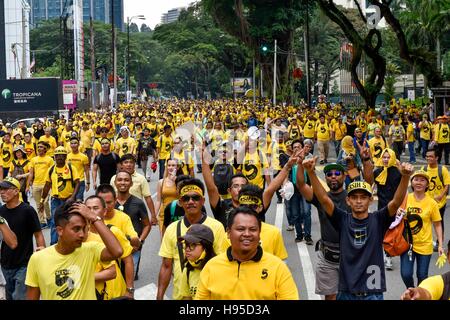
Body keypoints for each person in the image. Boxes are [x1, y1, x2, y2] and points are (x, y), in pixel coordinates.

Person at [302, 155, 414, 300]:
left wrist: (405, 177)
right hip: (346, 292)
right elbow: (324, 199)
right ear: (348, 201)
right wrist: (311, 172)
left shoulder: (378, 220)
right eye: (354, 197)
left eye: (363, 197)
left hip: (372, 293)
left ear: (371, 200)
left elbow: (396, 201)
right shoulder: (342, 219)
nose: (359, 201)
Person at [25, 200, 123, 300]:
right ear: (60, 230)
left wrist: (94, 218)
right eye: (76, 229)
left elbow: (117, 251)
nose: (82, 234)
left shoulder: (91, 249)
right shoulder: (37, 259)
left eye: (84, 228)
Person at [195, 206, 299, 300]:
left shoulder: (278, 268)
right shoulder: (211, 267)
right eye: (241, 229)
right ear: (228, 233)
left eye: (253, 229)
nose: (247, 234)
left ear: (259, 234)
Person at [157, 178, 227, 300]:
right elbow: (166, 266)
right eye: (186, 198)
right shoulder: (171, 229)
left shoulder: (217, 227)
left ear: (203, 201)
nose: (190, 201)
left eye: (195, 198)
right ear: (180, 202)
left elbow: (222, 263)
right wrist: (159, 296)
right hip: (180, 295)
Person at [297, 161, 351, 300]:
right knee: (330, 297)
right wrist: (300, 164)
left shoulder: (353, 198)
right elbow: (302, 185)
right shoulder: (321, 197)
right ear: (325, 178)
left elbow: (369, 181)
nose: (333, 176)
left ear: (344, 177)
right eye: (329, 174)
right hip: (328, 257)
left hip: (351, 256)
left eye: (337, 173)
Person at [0, 177, 45, 300]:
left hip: (24, 264)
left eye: (6, 189)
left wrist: (42, 255)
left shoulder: (27, 210)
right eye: (1, 190)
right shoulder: (1, 211)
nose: (2, 192)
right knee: (9, 297)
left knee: (19, 297)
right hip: (5, 264)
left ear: (16, 191)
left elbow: (38, 234)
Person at [84, 195, 135, 300]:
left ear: (104, 211)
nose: (91, 212)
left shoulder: (114, 232)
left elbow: (128, 261)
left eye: (95, 208)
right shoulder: (81, 237)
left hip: (116, 291)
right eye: (88, 209)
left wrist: (129, 289)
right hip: (95, 293)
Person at [400, 170, 444, 289]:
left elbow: (438, 224)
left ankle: (419, 295)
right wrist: (398, 213)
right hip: (407, 244)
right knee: (406, 274)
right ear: (411, 182)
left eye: (422, 180)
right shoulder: (405, 199)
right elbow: (395, 219)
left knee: (422, 275)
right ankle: (412, 290)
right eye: (416, 179)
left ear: (427, 184)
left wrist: (440, 244)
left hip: (425, 245)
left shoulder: (432, 203)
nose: (419, 182)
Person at [362, 147, 401, 270]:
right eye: (384, 157)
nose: (385, 159)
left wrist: (401, 206)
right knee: (380, 232)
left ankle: (388, 255)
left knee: (391, 233)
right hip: (381, 207)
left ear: (393, 158)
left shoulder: (398, 173)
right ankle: (380, 255)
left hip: (394, 207)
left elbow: (402, 192)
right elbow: (369, 182)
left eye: (388, 157)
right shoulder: (378, 171)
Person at [39, 146, 81, 245]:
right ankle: (53, 244)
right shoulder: (51, 169)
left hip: (68, 200)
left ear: (65, 156)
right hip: (56, 200)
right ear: (54, 157)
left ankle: (70, 241)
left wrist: (72, 197)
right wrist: (42, 201)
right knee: (55, 222)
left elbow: (77, 183)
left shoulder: (71, 168)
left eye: (62, 155)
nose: (60, 157)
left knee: (70, 221)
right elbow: (47, 185)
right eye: (57, 155)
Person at [114, 171, 151, 281]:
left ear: (131, 183)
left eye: (126, 180)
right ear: (115, 183)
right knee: (114, 280)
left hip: (133, 249)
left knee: (129, 280)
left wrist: (140, 241)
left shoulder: (138, 203)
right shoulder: (109, 203)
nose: (123, 182)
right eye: (119, 180)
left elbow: (147, 225)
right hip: (113, 248)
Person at [110, 154, 157, 225]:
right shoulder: (114, 178)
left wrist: (153, 215)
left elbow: (148, 197)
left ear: (134, 164)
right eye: (126, 162)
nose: (129, 164)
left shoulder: (141, 178)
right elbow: (111, 197)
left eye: (131, 162)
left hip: (135, 213)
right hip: (118, 212)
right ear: (121, 165)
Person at [178, 224, 216, 299]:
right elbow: (187, 297)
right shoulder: (188, 270)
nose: (187, 249)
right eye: (186, 244)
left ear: (206, 247)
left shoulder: (218, 269)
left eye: (192, 245)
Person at [422, 148, 450, 250]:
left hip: (439, 203)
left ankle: (439, 242)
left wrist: (441, 196)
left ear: (437, 158)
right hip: (427, 202)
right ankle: (426, 240)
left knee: (438, 222)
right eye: (427, 156)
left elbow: (447, 184)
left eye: (431, 156)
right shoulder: (424, 169)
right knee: (426, 221)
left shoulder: (442, 170)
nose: (428, 158)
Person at [27, 141, 54, 227]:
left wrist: (52, 185)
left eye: (41, 147)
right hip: (36, 184)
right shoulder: (33, 159)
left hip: (46, 184)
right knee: (38, 204)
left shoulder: (50, 159)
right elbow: (31, 173)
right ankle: (42, 222)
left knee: (45, 203)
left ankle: (49, 219)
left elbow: (52, 173)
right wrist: (28, 186)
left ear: (46, 149)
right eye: (38, 147)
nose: (39, 148)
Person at [155, 158, 182, 234]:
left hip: (178, 214)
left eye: (173, 165)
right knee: (164, 240)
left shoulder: (181, 181)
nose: (170, 167)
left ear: (178, 167)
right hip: (164, 214)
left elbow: (183, 196)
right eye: (169, 165)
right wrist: (154, 215)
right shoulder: (161, 182)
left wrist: (174, 180)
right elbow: (158, 200)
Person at [67, 137, 90, 201]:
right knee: (71, 201)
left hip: (80, 181)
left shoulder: (84, 157)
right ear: (70, 145)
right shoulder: (67, 156)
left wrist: (88, 183)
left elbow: (86, 170)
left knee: (78, 200)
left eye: (75, 143)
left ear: (79, 144)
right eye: (72, 143)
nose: (73, 145)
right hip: (70, 181)